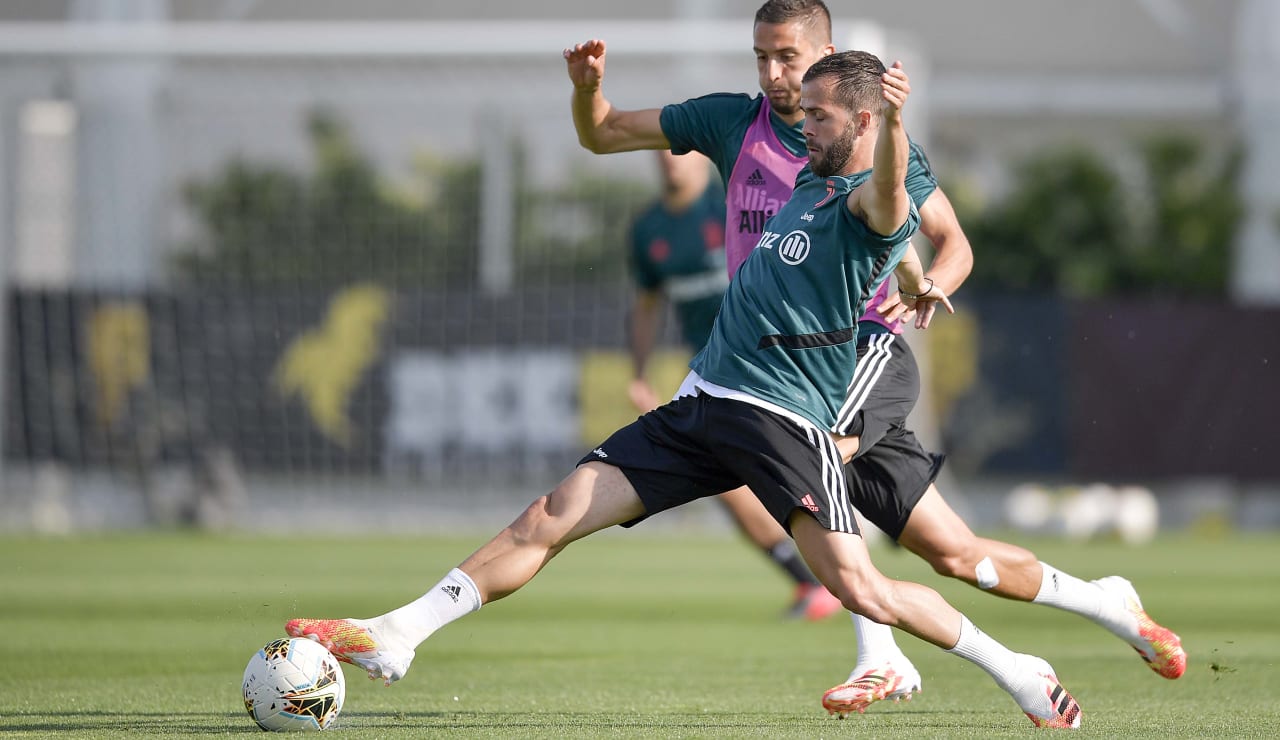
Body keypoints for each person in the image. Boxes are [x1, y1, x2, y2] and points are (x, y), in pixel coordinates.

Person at [287, 53, 1084, 729]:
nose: (804, 123)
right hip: (701, 404)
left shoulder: (872, 200)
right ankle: (399, 631)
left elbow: (893, 205)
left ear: (868, 126)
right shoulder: (809, 182)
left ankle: (1016, 667)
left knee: (865, 590)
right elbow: (897, 244)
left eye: (823, 116)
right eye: (803, 110)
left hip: (781, 422)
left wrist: (898, 139)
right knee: (550, 516)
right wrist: (913, 276)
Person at [563, 0, 1184, 716]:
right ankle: (1108, 604)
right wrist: (588, 92)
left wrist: (930, 290)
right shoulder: (730, 122)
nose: (771, 73)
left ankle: (881, 657)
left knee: (811, 449)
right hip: (769, 369)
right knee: (956, 556)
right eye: (760, 56)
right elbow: (604, 134)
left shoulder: (877, 146)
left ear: (824, 53)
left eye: (787, 57)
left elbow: (952, 245)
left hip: (859, 353)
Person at [627, 149, 841, 621]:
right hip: (713, 372)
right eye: (660, 155)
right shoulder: (648, 230)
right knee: (728, 485)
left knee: (794, 468)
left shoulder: (734, 207)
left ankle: (833, 562)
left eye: (679, 153)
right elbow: (647, 307)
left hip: (772, 362)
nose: (670, 163)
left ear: (704, 160)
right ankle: (812, 581)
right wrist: (639, 374)